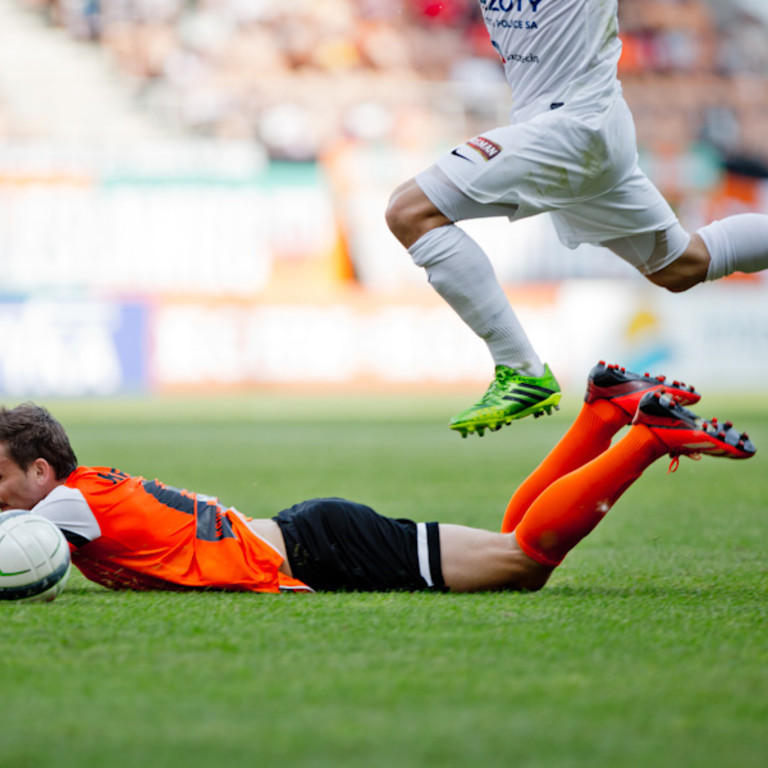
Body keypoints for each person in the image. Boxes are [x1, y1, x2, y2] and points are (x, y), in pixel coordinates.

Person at [0, 363, 755, 595]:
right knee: (511, 548)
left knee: (525, 563)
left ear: (40, 470)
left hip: (324, 549)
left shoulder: (67, 505)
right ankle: (602, 415)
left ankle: (645, 437)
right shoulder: (83, 493)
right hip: (312, 536)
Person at [385, 0, 768, 437]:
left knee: (409, 210)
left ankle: (520, 368)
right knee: (682, 265)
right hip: (585, 129)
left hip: (572, 128)